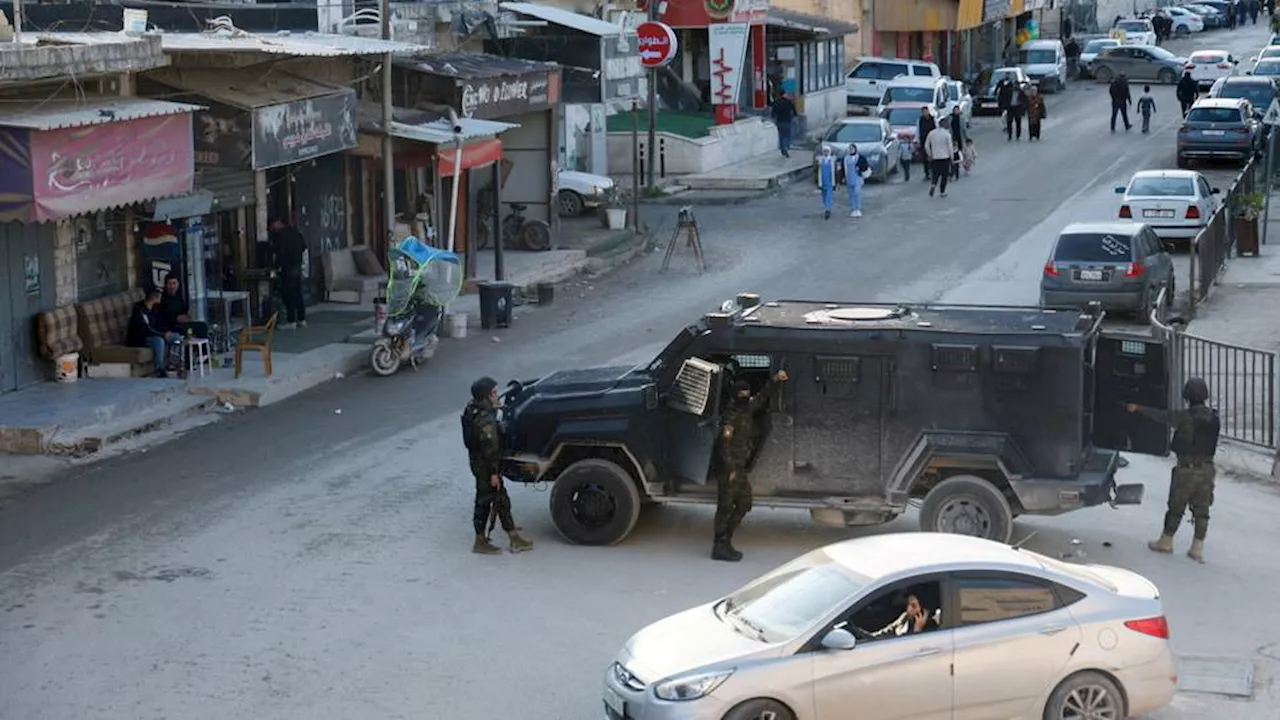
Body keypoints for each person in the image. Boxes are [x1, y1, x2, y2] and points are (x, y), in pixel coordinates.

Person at [1125, 378, 1221, 563]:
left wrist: (1138, 408)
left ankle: (1166, 541)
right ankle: (1197, 549)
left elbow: (1162, 416)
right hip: (1208, 470)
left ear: (1187, 396)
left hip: (1187, 470)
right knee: (1202, 510)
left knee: (1176, 507)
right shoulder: (1214, 417)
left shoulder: (1185, 417)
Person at [713, 370, 789, 561]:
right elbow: (724, 447)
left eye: (747, 392)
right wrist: (730, 470)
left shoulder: (746, 408)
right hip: (731, 469)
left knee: (745, 503)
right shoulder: (731, 416)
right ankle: (720, 545)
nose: (746, 396)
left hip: (740, 469)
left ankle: (727, 538)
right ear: (735, 395)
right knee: (725, 506)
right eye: (742, 393)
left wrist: (776, 380)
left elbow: (763, 396)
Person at [462, 376, 534, 555]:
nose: (496, 395)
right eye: (493, 393)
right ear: (485, 396)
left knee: (498, 499)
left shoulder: (474, 409)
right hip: (486, 466)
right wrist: (494, 473)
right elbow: (490, 449)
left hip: (480, 463)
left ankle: (510, 536)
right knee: (489, 501)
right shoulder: (485, 420)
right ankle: (483, 541)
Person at [126, 289, 179, 378]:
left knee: (176, 337)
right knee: (159, 341)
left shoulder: (155, 309)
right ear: (153, 298)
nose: (160, 300)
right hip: (140, 338)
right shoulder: (139, 310)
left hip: (155, 334)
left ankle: (172, 364)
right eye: (159, 297)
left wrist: (166, 331)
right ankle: (159, 369)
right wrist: (162, 334)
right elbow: (145, 329)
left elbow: (159, 324)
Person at [268, 218, 307, 330]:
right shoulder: (295, 232)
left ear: (278, 223)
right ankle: (301, 319)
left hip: (287, 268)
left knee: (287, 294)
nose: (272, 228)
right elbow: (304, 248)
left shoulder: (280, 236)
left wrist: (276, 268)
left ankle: (291, 320)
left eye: (273, 225)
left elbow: (280, 253)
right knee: (297, 293)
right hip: (297, 266)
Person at [871, 594, 938, 637]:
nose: (909, 609)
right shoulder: (904, 617)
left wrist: (917, 630)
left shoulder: (931, 628)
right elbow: (886, 632)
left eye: (913, 606)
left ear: (924, 611)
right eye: (908, 604)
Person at [924, 123, 954, 198]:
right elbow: (950, 147)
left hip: (935, 157)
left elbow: (926, 145)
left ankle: (933, 184)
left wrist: (929, 154)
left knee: (935, 173)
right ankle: (942, 191)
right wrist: (952, 157)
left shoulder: (931, 133)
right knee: (944, 175)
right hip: (945, 157)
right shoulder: (947, 134)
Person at [842, 145, 870, 218]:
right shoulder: (846, 158)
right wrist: (843, 177)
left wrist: (859, 168)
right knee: (851, 194)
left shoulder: (860, 157)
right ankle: (853, 209)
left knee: (857, 192)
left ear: (855, 149)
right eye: (850, 149)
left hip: (857, 178)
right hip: (849, 178)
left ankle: (858, 208)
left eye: (852, 149)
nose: (851, 150)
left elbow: (865, 166)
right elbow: (843, 168)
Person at [771, 91, 797, 158]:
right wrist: (793, 118)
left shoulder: (776, 103)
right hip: (787, 121)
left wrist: (775, 120)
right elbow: (794, 112)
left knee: (781, 136)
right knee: (788, 136)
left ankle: (782, 148)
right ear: (784, 94)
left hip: (779, 122)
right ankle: (786, 146)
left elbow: (773, 114)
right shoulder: (789, 102)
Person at [816, 145, 837, 220]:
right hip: (822, 182)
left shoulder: (832, 161)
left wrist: (836, 182)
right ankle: (827, 207)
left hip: (830, 182)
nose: (826, 153)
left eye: (827, 151)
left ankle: (828, 210)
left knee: (828, 196)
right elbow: (816, 171)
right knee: (824, 197)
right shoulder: (820, 160)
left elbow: (835, 172)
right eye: (824, 151)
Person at [917, 107, 937, 182]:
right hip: (923, 141)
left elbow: (936, 128)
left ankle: (934, 171)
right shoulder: (920, 120)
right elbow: (918, 131)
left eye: (926, 111)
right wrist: (917, 140)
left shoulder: (933, 119)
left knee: (933, 157)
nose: (925, 113)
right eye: (923, 112)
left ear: (928, 111)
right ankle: (927, 173)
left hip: (933, 141)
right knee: (925, 158)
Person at [947, 106, 968, 180]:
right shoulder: (950, 118)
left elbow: (964, 129)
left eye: (957, 110)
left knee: (962, 153)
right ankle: (954, 169)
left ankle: (965, 166)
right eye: (955, 110)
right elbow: (948, 128)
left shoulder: (961, 118)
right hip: (953, 139)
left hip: (960, 138)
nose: (956, 111)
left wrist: (967, 138)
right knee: (954, 154)